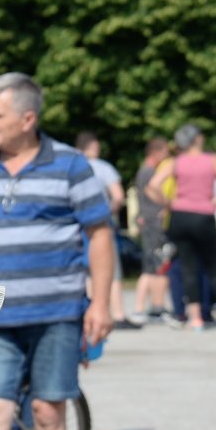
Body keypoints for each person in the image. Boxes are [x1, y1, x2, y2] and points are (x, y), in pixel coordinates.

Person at [0, 75, 116, 430]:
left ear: (28, 119)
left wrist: (101, 304)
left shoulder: (71, 164)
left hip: (57, 314)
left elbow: (100, 235)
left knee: (48, 413)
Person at [146, 125, 216, 330]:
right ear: (198, 139)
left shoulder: (176, 162)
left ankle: (195, 318)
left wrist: (167, 203)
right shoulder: (212, 160)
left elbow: (153, 185)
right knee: (214, 266)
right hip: (204, 215)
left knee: (187, 267)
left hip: (180, 215)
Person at [75, 132, 138, 329]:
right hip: (101, 223)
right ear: (94, 147)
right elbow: (118, 196)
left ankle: (89, 311)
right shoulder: (103, 167)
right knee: (111, 267)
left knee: (87, 270)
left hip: (77, 224)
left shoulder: (73, 166)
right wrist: (108, 212)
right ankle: (117, 313)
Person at [131, 137, 173, 323]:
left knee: (152, 265)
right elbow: (151, 191)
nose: (166, 157)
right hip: (153, 222)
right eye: (164, 153)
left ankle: (151, 306)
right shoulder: (149, 172)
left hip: (148, 221)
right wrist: (167, 204)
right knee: (156, 265)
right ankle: (147, 307)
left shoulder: (144, 170)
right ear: (155, 152)